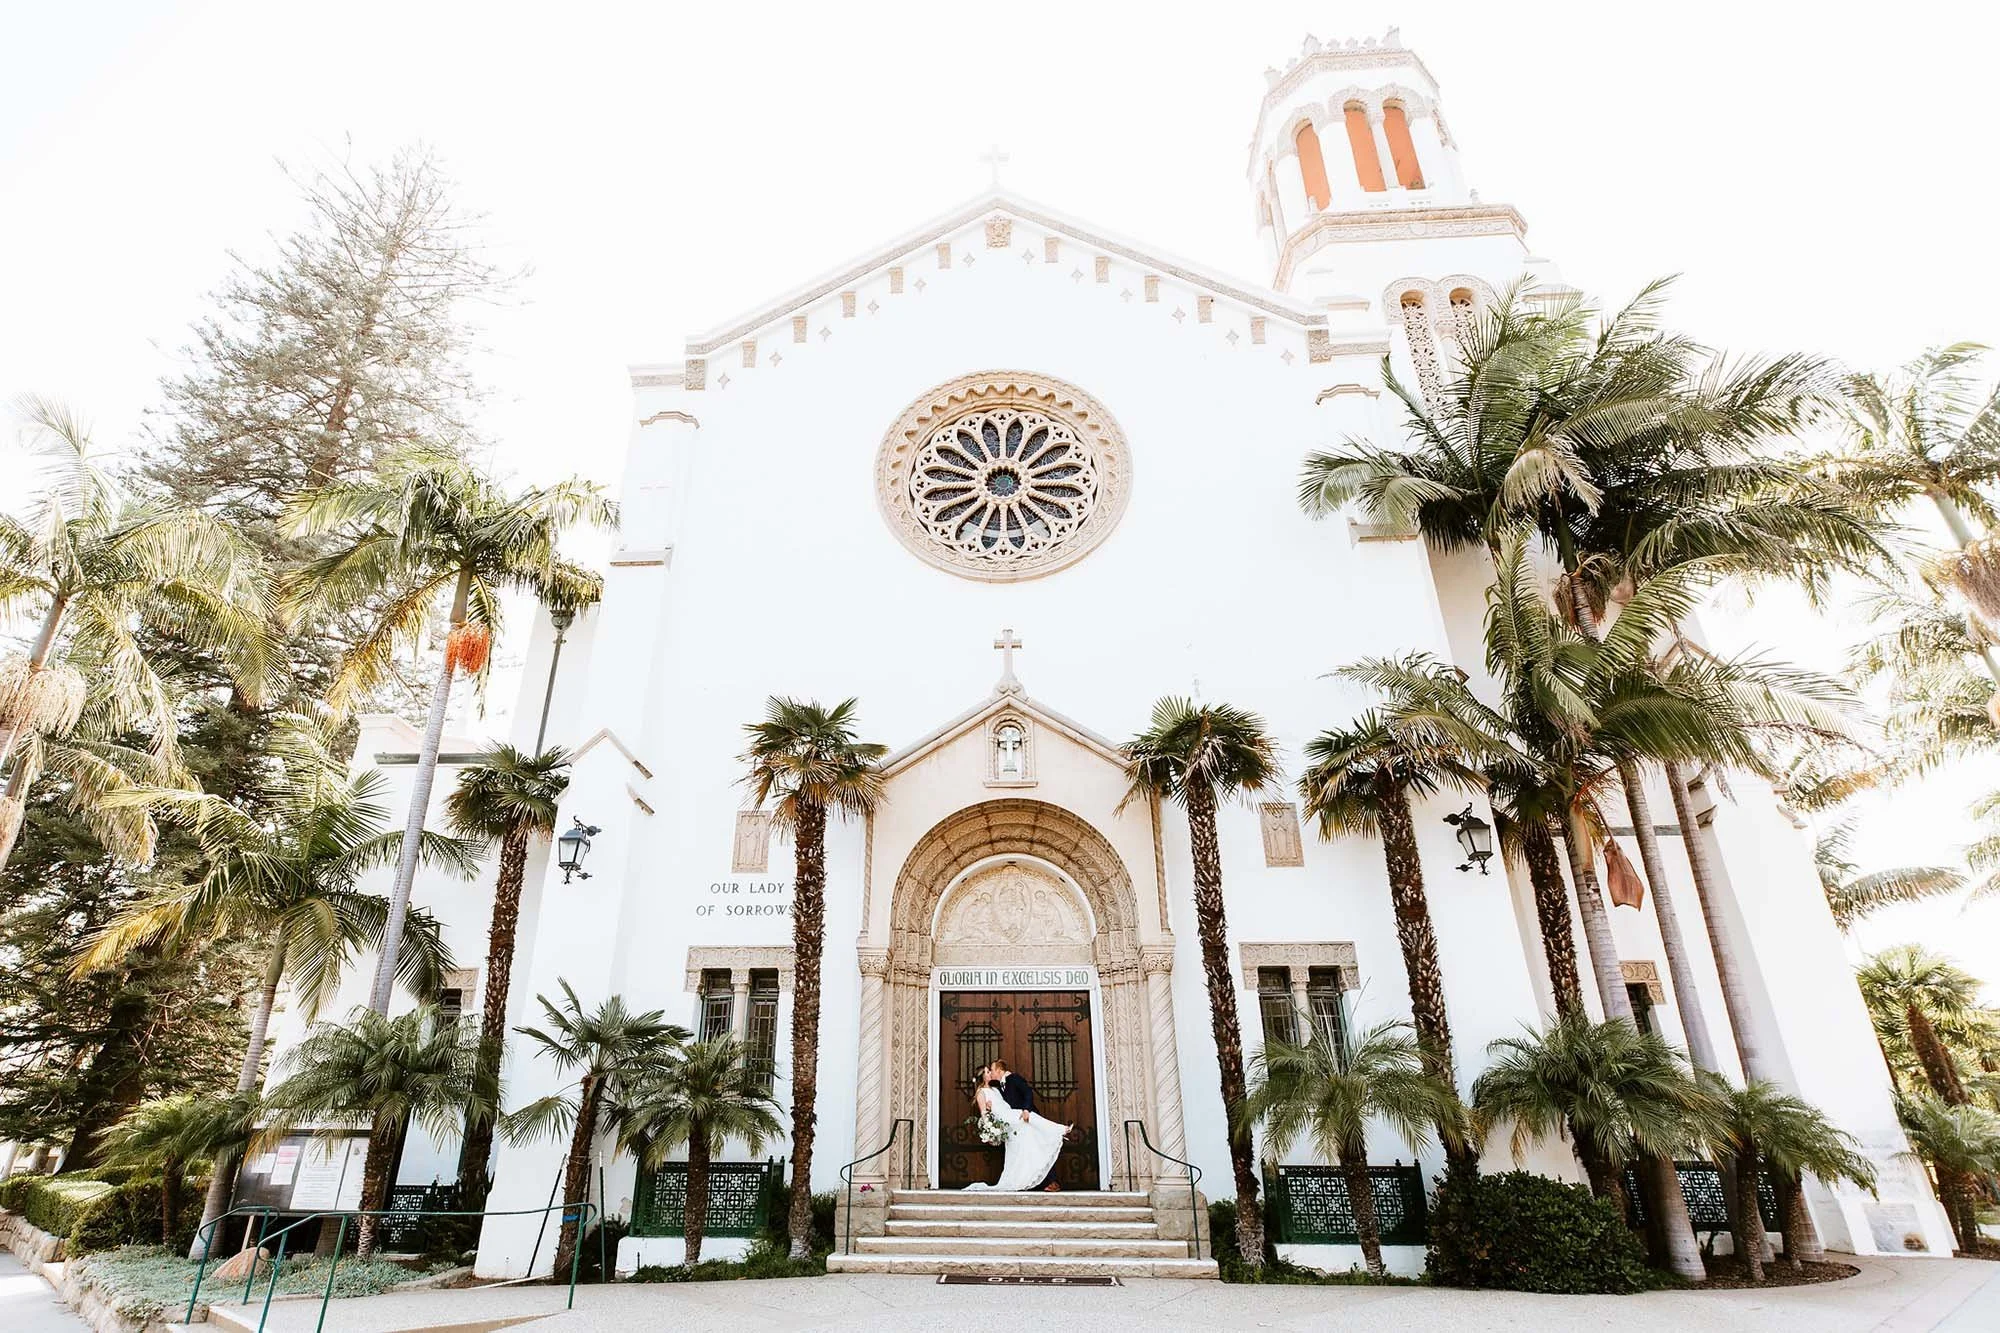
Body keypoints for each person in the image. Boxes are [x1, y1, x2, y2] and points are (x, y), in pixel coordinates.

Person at [962, 1059, 1070, 1192]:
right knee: (1026, 1119)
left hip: (1010, 1117)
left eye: (991, 1070)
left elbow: (1015, 1095)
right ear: (982, 1076)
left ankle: (1057, 1132)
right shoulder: (981, 1093)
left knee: (1028, 1145)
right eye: (987, 1071)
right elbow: (984, 1113)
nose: (990, 1073)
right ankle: (1060, 1129)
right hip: (1006, 1119)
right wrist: (990, 1131)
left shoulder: (996, 1089)